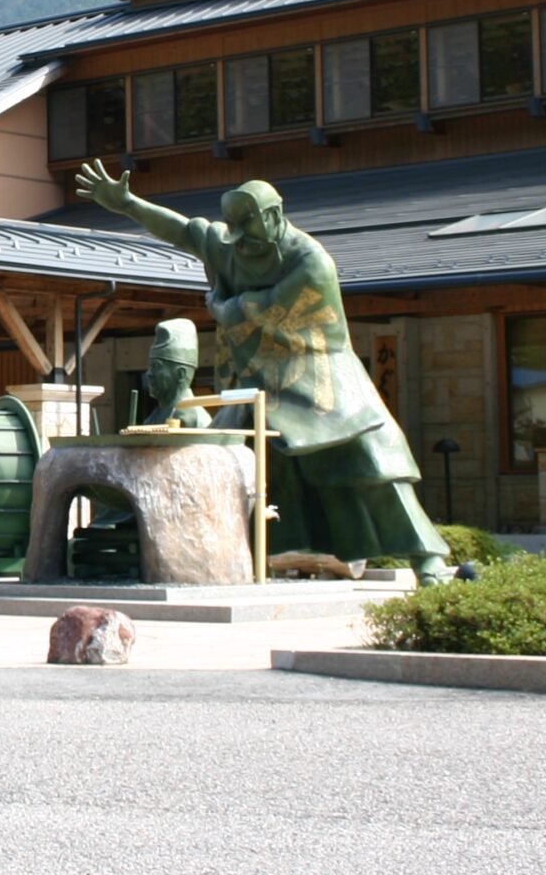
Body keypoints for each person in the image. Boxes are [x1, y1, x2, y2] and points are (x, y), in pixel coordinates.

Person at [74, 159, 453, 580]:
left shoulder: (311, 261)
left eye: (249, 230)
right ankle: (262, 553)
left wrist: (222, 306)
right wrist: (128, 204)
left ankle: (427, 557)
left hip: (319, 374)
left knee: (367, 459)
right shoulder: (231, 245)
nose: (240, 243)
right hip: (255, 379)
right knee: (232, 458)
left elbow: (262, 307)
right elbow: (184, 231)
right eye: (233, 233)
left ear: (274, 217)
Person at [138, 318, 209, 427]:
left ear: (181, 374)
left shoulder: (193, 420)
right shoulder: (155, 416)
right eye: (151, 367)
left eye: (156, 366)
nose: (149, 373)